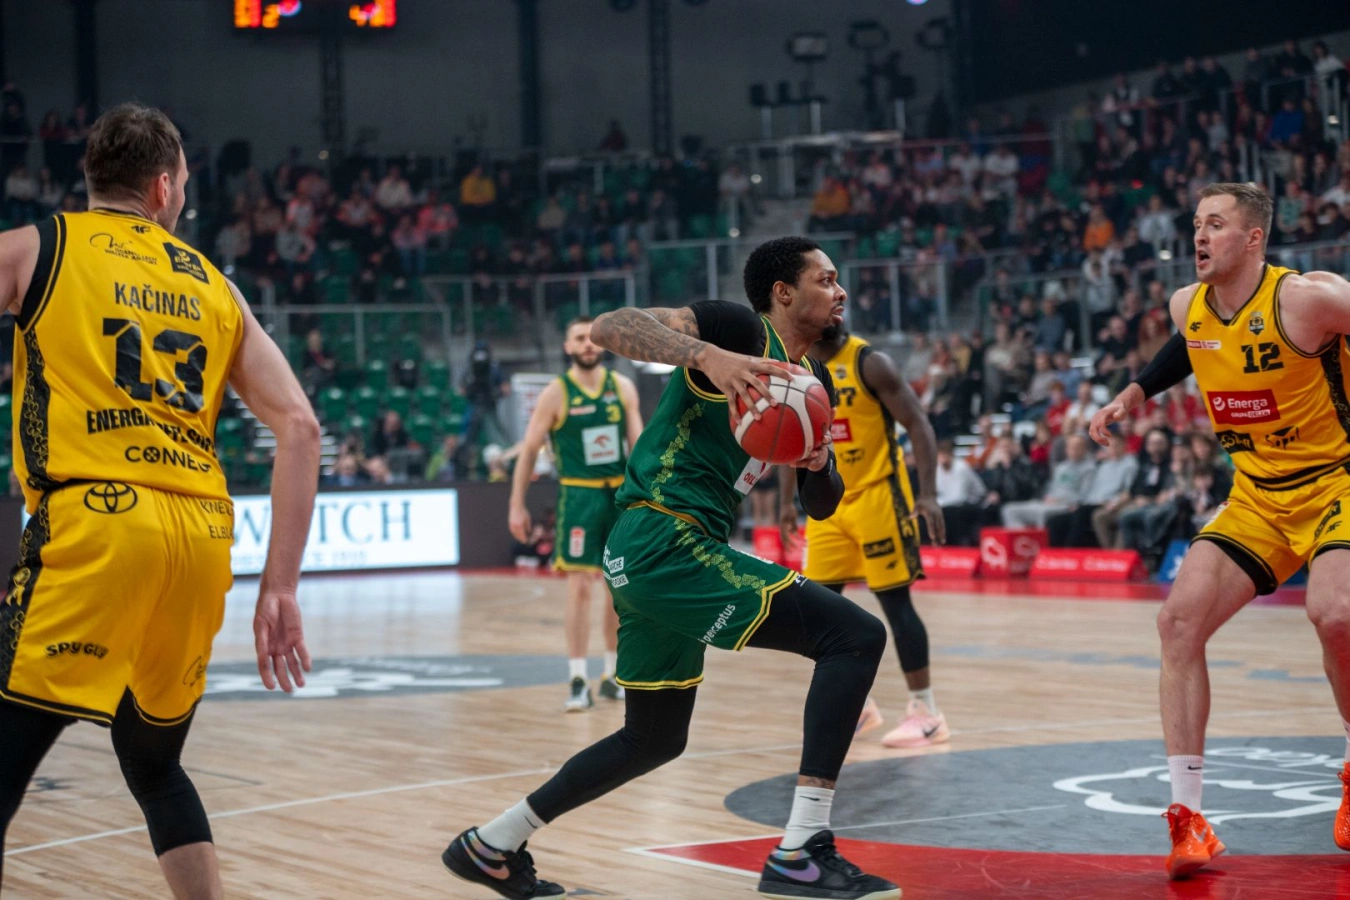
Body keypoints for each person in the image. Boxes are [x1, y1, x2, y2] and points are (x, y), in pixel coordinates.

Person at [443, 237, 901, 900]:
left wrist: (819, 461)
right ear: (783, 292)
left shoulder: (817, 383)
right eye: (825, 279)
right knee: (853, 636)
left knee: (654, 738)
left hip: (662, 552)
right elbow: (611, 327)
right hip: (665, 535)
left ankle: (491, 845)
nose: (841, 291)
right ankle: (802, 850)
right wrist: (706, 356)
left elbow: (822, 505)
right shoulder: (735, 330)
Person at [0, 104, 319, 897]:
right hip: (200, 536)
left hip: (97, 523)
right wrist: (280, 586)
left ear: (92, 179)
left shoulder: (39, 246)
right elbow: (301, 427)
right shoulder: (214, 284)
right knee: (154, 763)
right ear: (165, 187)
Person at [1090, 182, 1350, 879]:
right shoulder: (1189, 304)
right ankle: (1189, 819)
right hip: (1258, 495)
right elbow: (1188, 345)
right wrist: (1133, 393)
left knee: (1336, 614)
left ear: (1253, 238)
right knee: (1177, 623)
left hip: (1338, 481)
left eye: (1216, 225)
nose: (1199, 237)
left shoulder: (1309, 299)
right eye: (1196, 224)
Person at [785, 324, 949, 748]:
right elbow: (791, 439)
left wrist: (928, 495)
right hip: (828, 503)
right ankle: (859, 706)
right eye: (826, 294)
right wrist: (788, 503)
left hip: (879, 496)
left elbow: (918, 424)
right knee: (816, 612)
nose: (836, 302)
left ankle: (927, 712)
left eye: (838, 296)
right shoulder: (798, 367)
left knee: (895, 604)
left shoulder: (870, 363)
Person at [508, 317, 643, 710]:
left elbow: (639, 447)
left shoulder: (622, 387)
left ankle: (613, 675)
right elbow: (528, 451)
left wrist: (650, 497)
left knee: (619, 587)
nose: (587, 344)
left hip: (619, 495)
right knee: (580, 586)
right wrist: (516, 505)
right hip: (579, 496)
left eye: (593, 338)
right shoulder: (556, 393)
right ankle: (578, 678)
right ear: (567, 347)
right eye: (580, 338)